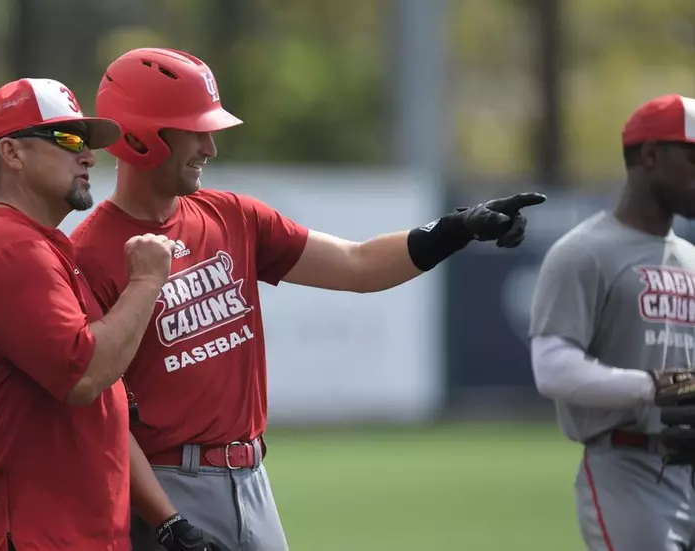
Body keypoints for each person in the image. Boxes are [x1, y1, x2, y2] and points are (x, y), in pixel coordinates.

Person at [70, 47, 547, 551]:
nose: (210, 147)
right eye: (195, 130)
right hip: (166, 489)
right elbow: (104, 413)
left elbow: (358, 265)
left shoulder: (233, 215)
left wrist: (456, 228)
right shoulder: (89, 255)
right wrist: (166, 522)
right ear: (144, 134)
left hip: (251, 481)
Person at [0, 76, 181, 551]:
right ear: (11, 153)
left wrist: (166, 519)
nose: (88, 155)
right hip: (29, 535)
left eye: (87, 143)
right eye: (68, 139)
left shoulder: (36, 245)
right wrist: (147, 280)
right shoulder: (6, 249)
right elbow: (86, 374)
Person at [528, 93, 695, 551]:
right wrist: (657, 387)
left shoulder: (691, 260)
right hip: (629, 468)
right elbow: (553, 366)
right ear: (650, 155)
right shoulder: (583, 252)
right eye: (693, 156)